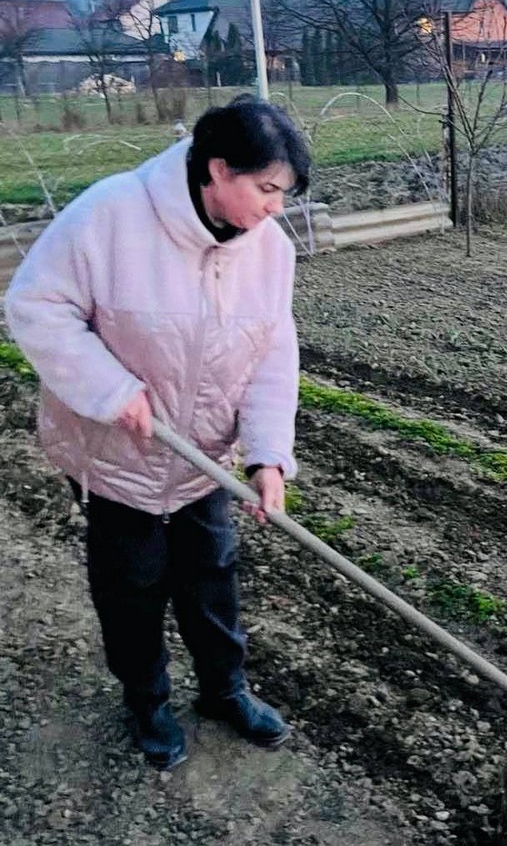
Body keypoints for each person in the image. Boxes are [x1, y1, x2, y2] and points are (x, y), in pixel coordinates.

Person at [5, 95, 311, 769]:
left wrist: (266, 455)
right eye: (266, 189)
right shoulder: (110, 216)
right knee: (133, 584)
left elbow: (271, 350)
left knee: (212, 576)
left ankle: (224, 691)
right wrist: (111, 391)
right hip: (119, 453)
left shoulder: (270, 252)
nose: (275, 208)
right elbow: (33, 306)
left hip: (203, 456)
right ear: (218, 170)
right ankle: (146, 701)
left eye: (283, 194)